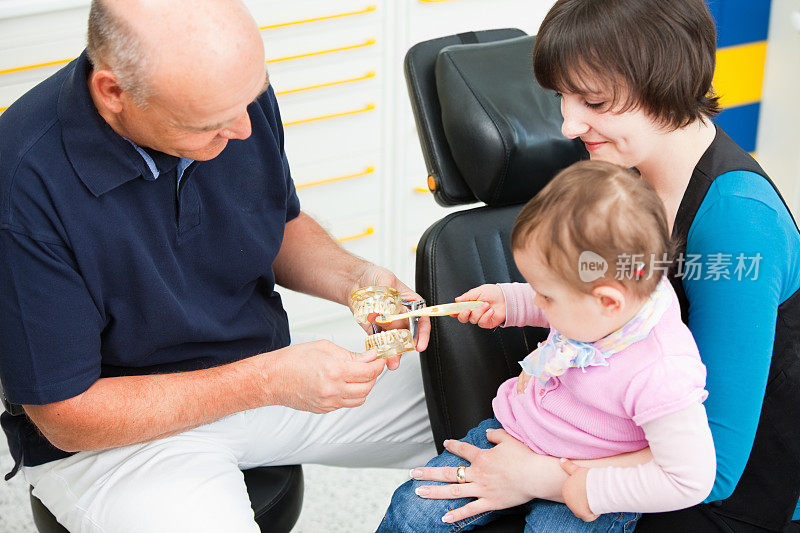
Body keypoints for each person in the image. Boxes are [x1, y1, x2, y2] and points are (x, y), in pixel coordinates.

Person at [0, 1, 436, 531]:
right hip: (117, 442)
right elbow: (67, 416)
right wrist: (268, 380)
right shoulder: (22, 185)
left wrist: (357, 281)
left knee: (510, 405)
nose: (244, 130)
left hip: (262, 375)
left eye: (250, 100)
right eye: (209, 123)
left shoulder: (230, 101)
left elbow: (274, 225)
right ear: (114, 93)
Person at [407, 0, 800, 531]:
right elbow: (583, 284)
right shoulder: (618, 171)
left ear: (667, 84)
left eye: (592, 100)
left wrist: (537, 477)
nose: (569, 124)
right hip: (615, 429)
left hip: (720, 489)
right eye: (562, 98)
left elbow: (714, 471)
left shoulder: (738, 226)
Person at [377, 160, 716, 532]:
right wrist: (509, 301)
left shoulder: (662, 371)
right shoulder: (608, 300)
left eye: (546, 297)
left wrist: (590, 489)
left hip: (587, 473)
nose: (539, 304)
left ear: (608, 301)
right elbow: (567, 304)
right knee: (412, 512)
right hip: (520, 430)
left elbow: (690, 480)